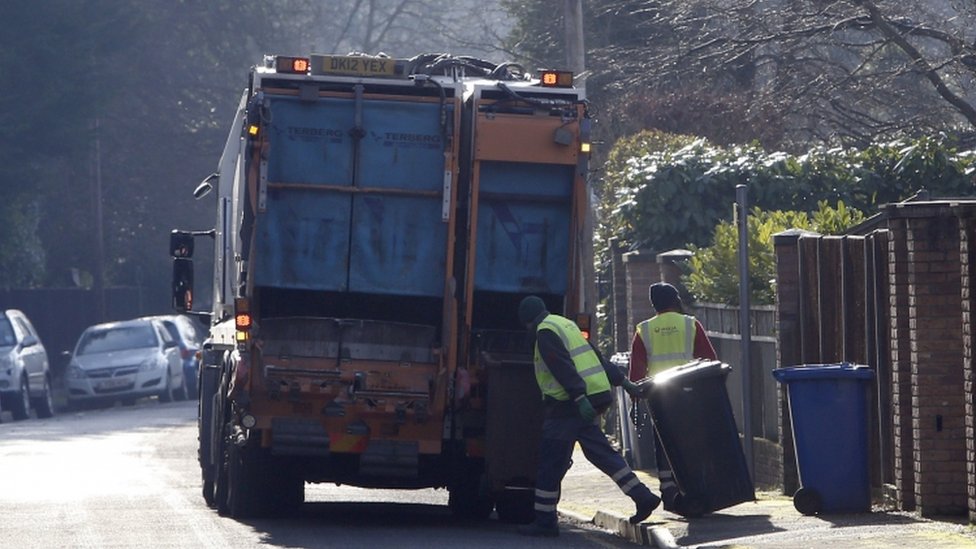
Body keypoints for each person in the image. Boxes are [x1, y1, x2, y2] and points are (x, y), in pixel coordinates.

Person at [516, 295, 661, 538]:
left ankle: (544, 522)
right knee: (602, 453)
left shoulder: (545, 333)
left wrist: (578, 397)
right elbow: (596, 356)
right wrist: (624, 382)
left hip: (567, 406)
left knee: (550, 462)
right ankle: (643, 496)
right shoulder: (566, 325)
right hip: (595, 397)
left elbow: (560, 366)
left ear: (527, 321)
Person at [628, 282, 717, 506]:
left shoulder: (644, 329)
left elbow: (637, 369)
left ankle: (668, 490)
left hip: (660, 395)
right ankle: (695, 485)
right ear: (675, 299)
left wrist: (635, 398)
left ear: (653, 304)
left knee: (664, 441)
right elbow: (710, 358)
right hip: (690, 392)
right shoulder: (690, 324)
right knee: (692, 439)